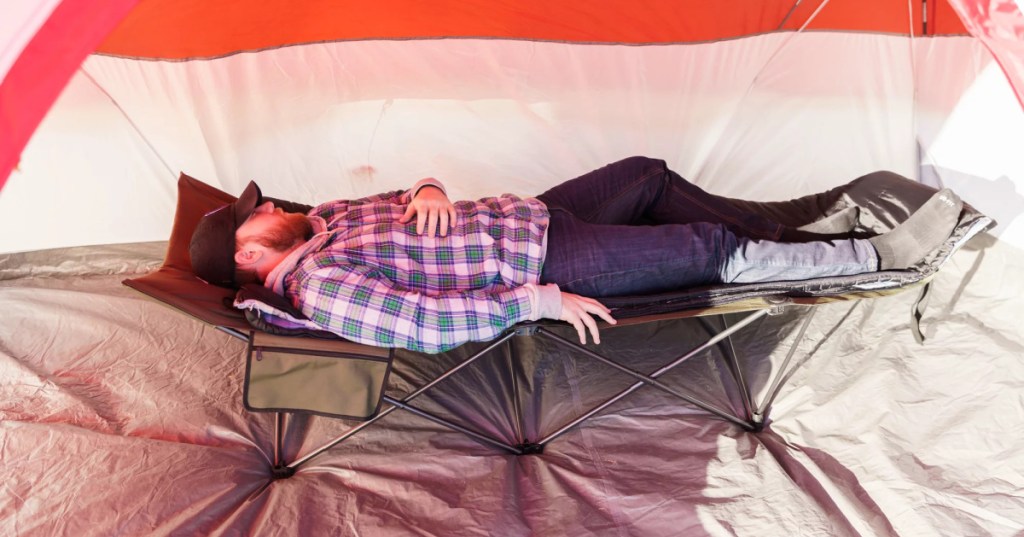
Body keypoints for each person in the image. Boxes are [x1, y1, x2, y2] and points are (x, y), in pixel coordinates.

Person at [189, 156, 962, 353]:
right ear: (254, 253)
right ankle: (877, 255)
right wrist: (539, 301)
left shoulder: (323, 216)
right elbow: (424, 325)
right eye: (259, 213)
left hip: (530, 212)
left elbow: (403, 192)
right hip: (545, 260)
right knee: (708, 248)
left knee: (645, 174)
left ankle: (790, 242)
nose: (272, 205)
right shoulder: (324, 286)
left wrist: (427, 187)